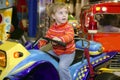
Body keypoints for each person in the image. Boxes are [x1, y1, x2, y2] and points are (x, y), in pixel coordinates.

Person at [38, 2, 76, 80]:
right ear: (53, 16)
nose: (64, 15)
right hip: (56, 51)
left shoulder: (68, 27)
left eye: (66, 12)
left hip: (67, 52)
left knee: (62, 67)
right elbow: (47, 37)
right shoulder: (52, 28)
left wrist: (61, 39)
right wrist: (41, 44)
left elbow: (69, 36)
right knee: (41, 55)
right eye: (61, 13)